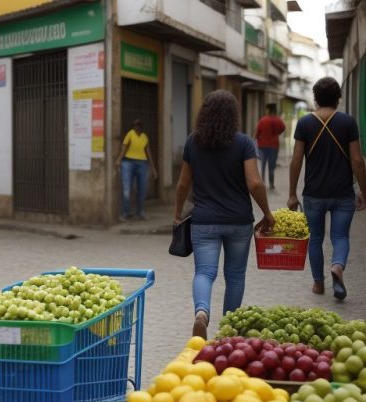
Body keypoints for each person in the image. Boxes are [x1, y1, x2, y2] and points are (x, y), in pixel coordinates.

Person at [174, 90, 273, 339]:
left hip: (204, 220)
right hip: (239, 221)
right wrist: (267, 213)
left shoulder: (192, 142)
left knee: (205, 272)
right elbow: (255, 183)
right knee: (235, 275)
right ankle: (228, 330)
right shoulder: (244, 143)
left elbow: (183, 184)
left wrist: (177, 214)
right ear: (233, 116)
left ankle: (201, 313)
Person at [288, 77, 366, 300]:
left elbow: (296, 160)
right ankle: (338, 266)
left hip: (313, 193)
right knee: (340, 236)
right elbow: (357, 161)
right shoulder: (348, 122)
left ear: (315, 98)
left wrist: (292, 193)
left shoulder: (304, 123)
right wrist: (364, 190)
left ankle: (318, 284)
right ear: (338, 98)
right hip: (342, 193)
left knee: (315, 239)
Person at [117, 119, 157, 221]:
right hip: (128, 162)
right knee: (126, 189)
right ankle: (125, 213)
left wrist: (153, 168)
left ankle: (140, 212)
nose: (137, 127)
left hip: (142, 164)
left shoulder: (144, 137)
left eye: (139, 125)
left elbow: (148, 153)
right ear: (133, 126)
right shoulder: (130, 134)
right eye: (136, 125)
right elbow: (124, 147)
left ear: (141, 127)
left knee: (142, 189)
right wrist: (119, 160)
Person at [255, 105, 286, 190]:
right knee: (272, 165)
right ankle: (271, 183)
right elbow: (283, 128)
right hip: (274, 146)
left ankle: (263, 182)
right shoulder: (278, 120)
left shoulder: (263, 120)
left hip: (263, 146)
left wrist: (257, 138)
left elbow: (257, 131)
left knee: (263, 164)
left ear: (268, 110)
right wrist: (276, 134)